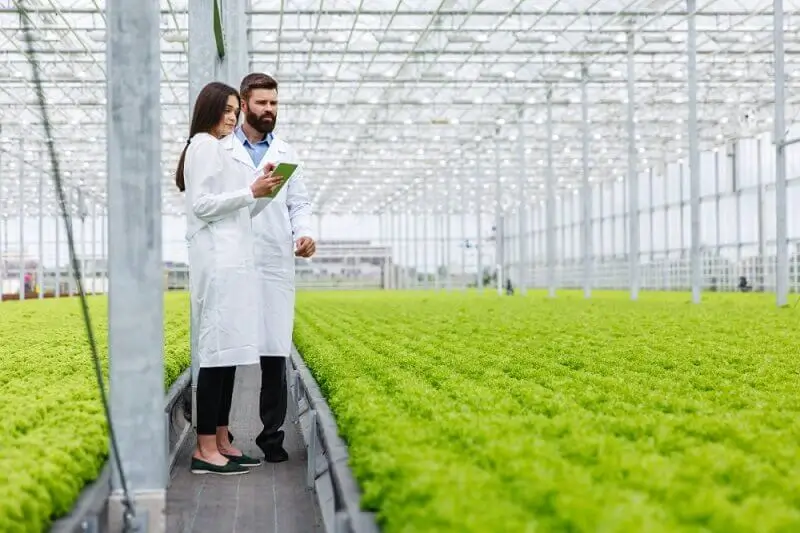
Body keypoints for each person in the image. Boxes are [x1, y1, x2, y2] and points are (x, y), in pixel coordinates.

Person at [176, 81, 283, 475]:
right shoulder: (203, 145)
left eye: (235, 111)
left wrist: (260, 192)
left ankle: (221, 439)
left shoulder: (217, 150)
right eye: (225, 110)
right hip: (219, 264)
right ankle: (205, 449)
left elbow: (236, 211)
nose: (232, 117)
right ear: (207, 110)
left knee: (229, 355)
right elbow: (202, 205)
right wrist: (248, 191)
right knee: (216, 357)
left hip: (233, 263)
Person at [221, 72, 315, 463]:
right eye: (262, 103)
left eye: (274, 103)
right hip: (233, 258)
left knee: (275, 351)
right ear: (244, 104)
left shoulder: (288, 151)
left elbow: (300, 203)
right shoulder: (223, 149)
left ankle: (271, 436)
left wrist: (304, 234)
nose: (269, 110)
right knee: (224, 350)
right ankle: (220, 436)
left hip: (275, 261)